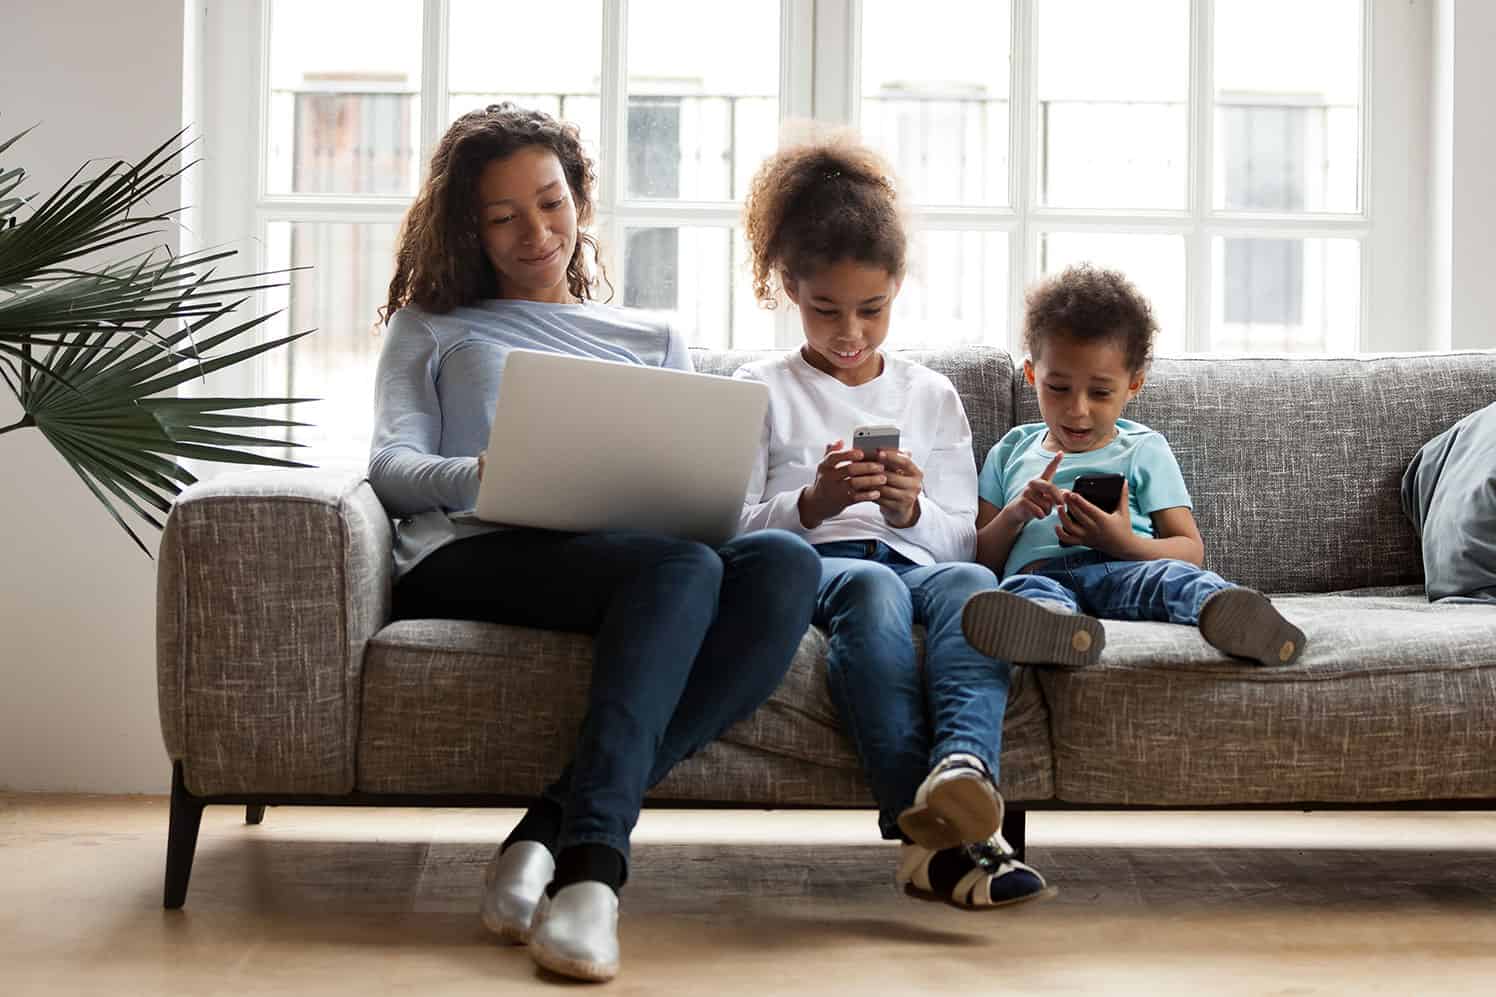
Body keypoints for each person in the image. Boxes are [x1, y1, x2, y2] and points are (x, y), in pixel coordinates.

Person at [368, 103, 821, 983]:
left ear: (579, 197)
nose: (535, 232)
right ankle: (591, 874)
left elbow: (706, 493)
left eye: (549, 202)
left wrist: (707, 500)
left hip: (622, 555)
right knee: (680, 565)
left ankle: (545, 826)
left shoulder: (652, 335)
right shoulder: (432, 323)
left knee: (783, 563)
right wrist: (485, 472)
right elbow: (390, 465)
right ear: (467, 224)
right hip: (471, 552)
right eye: (501, 216)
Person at [734, 134, 1054, 910]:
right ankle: (933, 840)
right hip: (825, 566)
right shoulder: (760, 388)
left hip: (917, 560)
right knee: (875, 588)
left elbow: (960, 540)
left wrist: (912, 508)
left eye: (871, 310)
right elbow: (731, 527)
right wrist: (814, 504)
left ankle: (963, 771)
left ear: (898, 287)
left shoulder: (931, 394)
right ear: (786, 286)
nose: (850, 333)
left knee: (976, 583)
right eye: (825, 310)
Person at [962, 263, 1306, 670]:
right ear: (1032, 374)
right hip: (1040, 575)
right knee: (1022, 593)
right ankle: (1058, 633)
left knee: (1174, 581)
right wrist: (1015, 514)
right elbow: (980, 560)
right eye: (1057, 388)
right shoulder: (1010, 450)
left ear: (1134, 385)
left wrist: (1122, 543)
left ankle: (1243, 620)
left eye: (1101, 392)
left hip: (1125, 568)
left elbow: (1189, 550)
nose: (1077, 410)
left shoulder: (1143, 448)